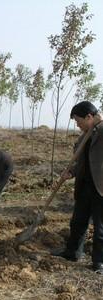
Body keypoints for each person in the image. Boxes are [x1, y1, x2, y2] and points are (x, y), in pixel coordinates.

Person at [52, 101, 103, 274]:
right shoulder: (84, 137)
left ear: (90, 117)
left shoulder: (101, 131)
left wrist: (101, 120)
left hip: (101, 188)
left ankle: (99, 262)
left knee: (100, 227)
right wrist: (71, 173)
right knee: (78, 222)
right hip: (84, 186)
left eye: (78, 120)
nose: (77, 124)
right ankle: (72, 252)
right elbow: (81, 160)